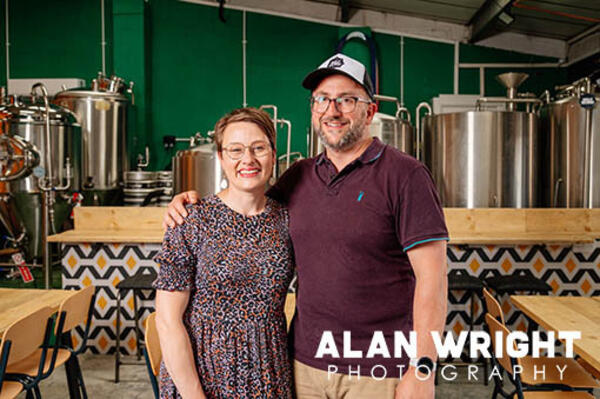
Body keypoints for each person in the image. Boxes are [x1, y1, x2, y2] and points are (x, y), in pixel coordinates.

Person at [164, 53, 449, 399]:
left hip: (376, 368)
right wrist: (190, 201)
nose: (333, 110)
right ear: (313, 111)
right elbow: (245, 195)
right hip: (302, 367)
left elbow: (433, 281)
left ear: (370, 111)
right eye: (322, 100)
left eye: (346, 99)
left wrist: (422, 368)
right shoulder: (299, 177)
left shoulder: (406, 175)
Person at [153, 107, 294, 399]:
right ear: (220, 157)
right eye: (235, 150)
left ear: (273, 153)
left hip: (270, 374)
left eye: (259, 148)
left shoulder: (288, 218)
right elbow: (167, 321)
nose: (248, 159)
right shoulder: (191, 219)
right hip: (203, 376)